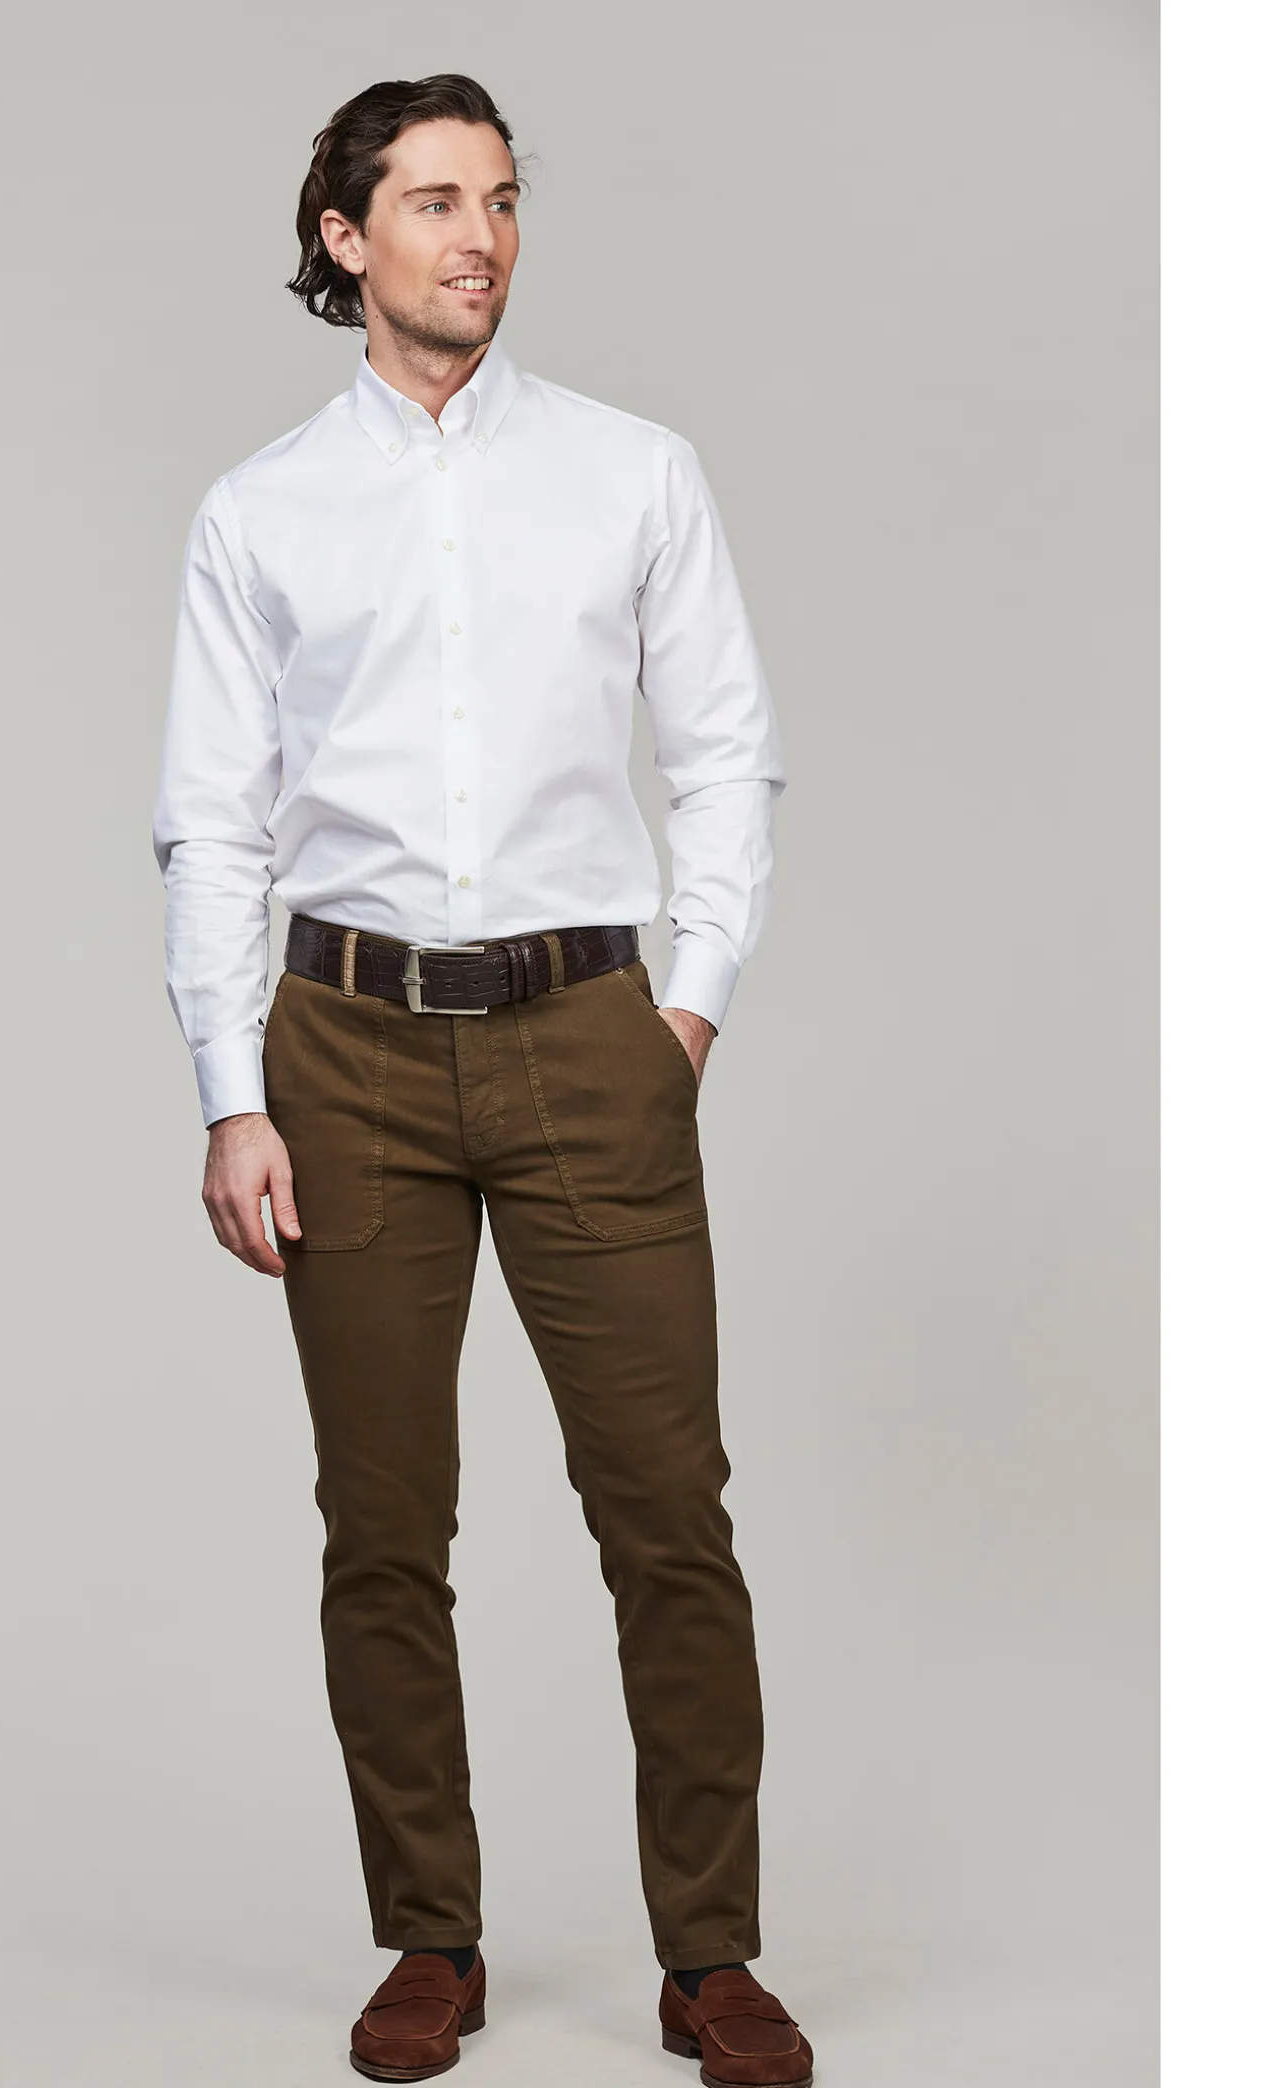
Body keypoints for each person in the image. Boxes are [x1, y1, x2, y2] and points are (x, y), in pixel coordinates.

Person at [152, 72, 811, 2088]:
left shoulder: (632, 473)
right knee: (382, 1524)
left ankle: (710, 1957)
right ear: (343, 237)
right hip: (341, 1053)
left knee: (667, 1513)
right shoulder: (262, 511)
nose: (481, 238)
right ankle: (429, 1939)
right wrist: (231, 1089)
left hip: (589, 1035)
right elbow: (213, 818)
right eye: (434, 201)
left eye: (503, 199)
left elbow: (725, 752)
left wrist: (686, 1006)